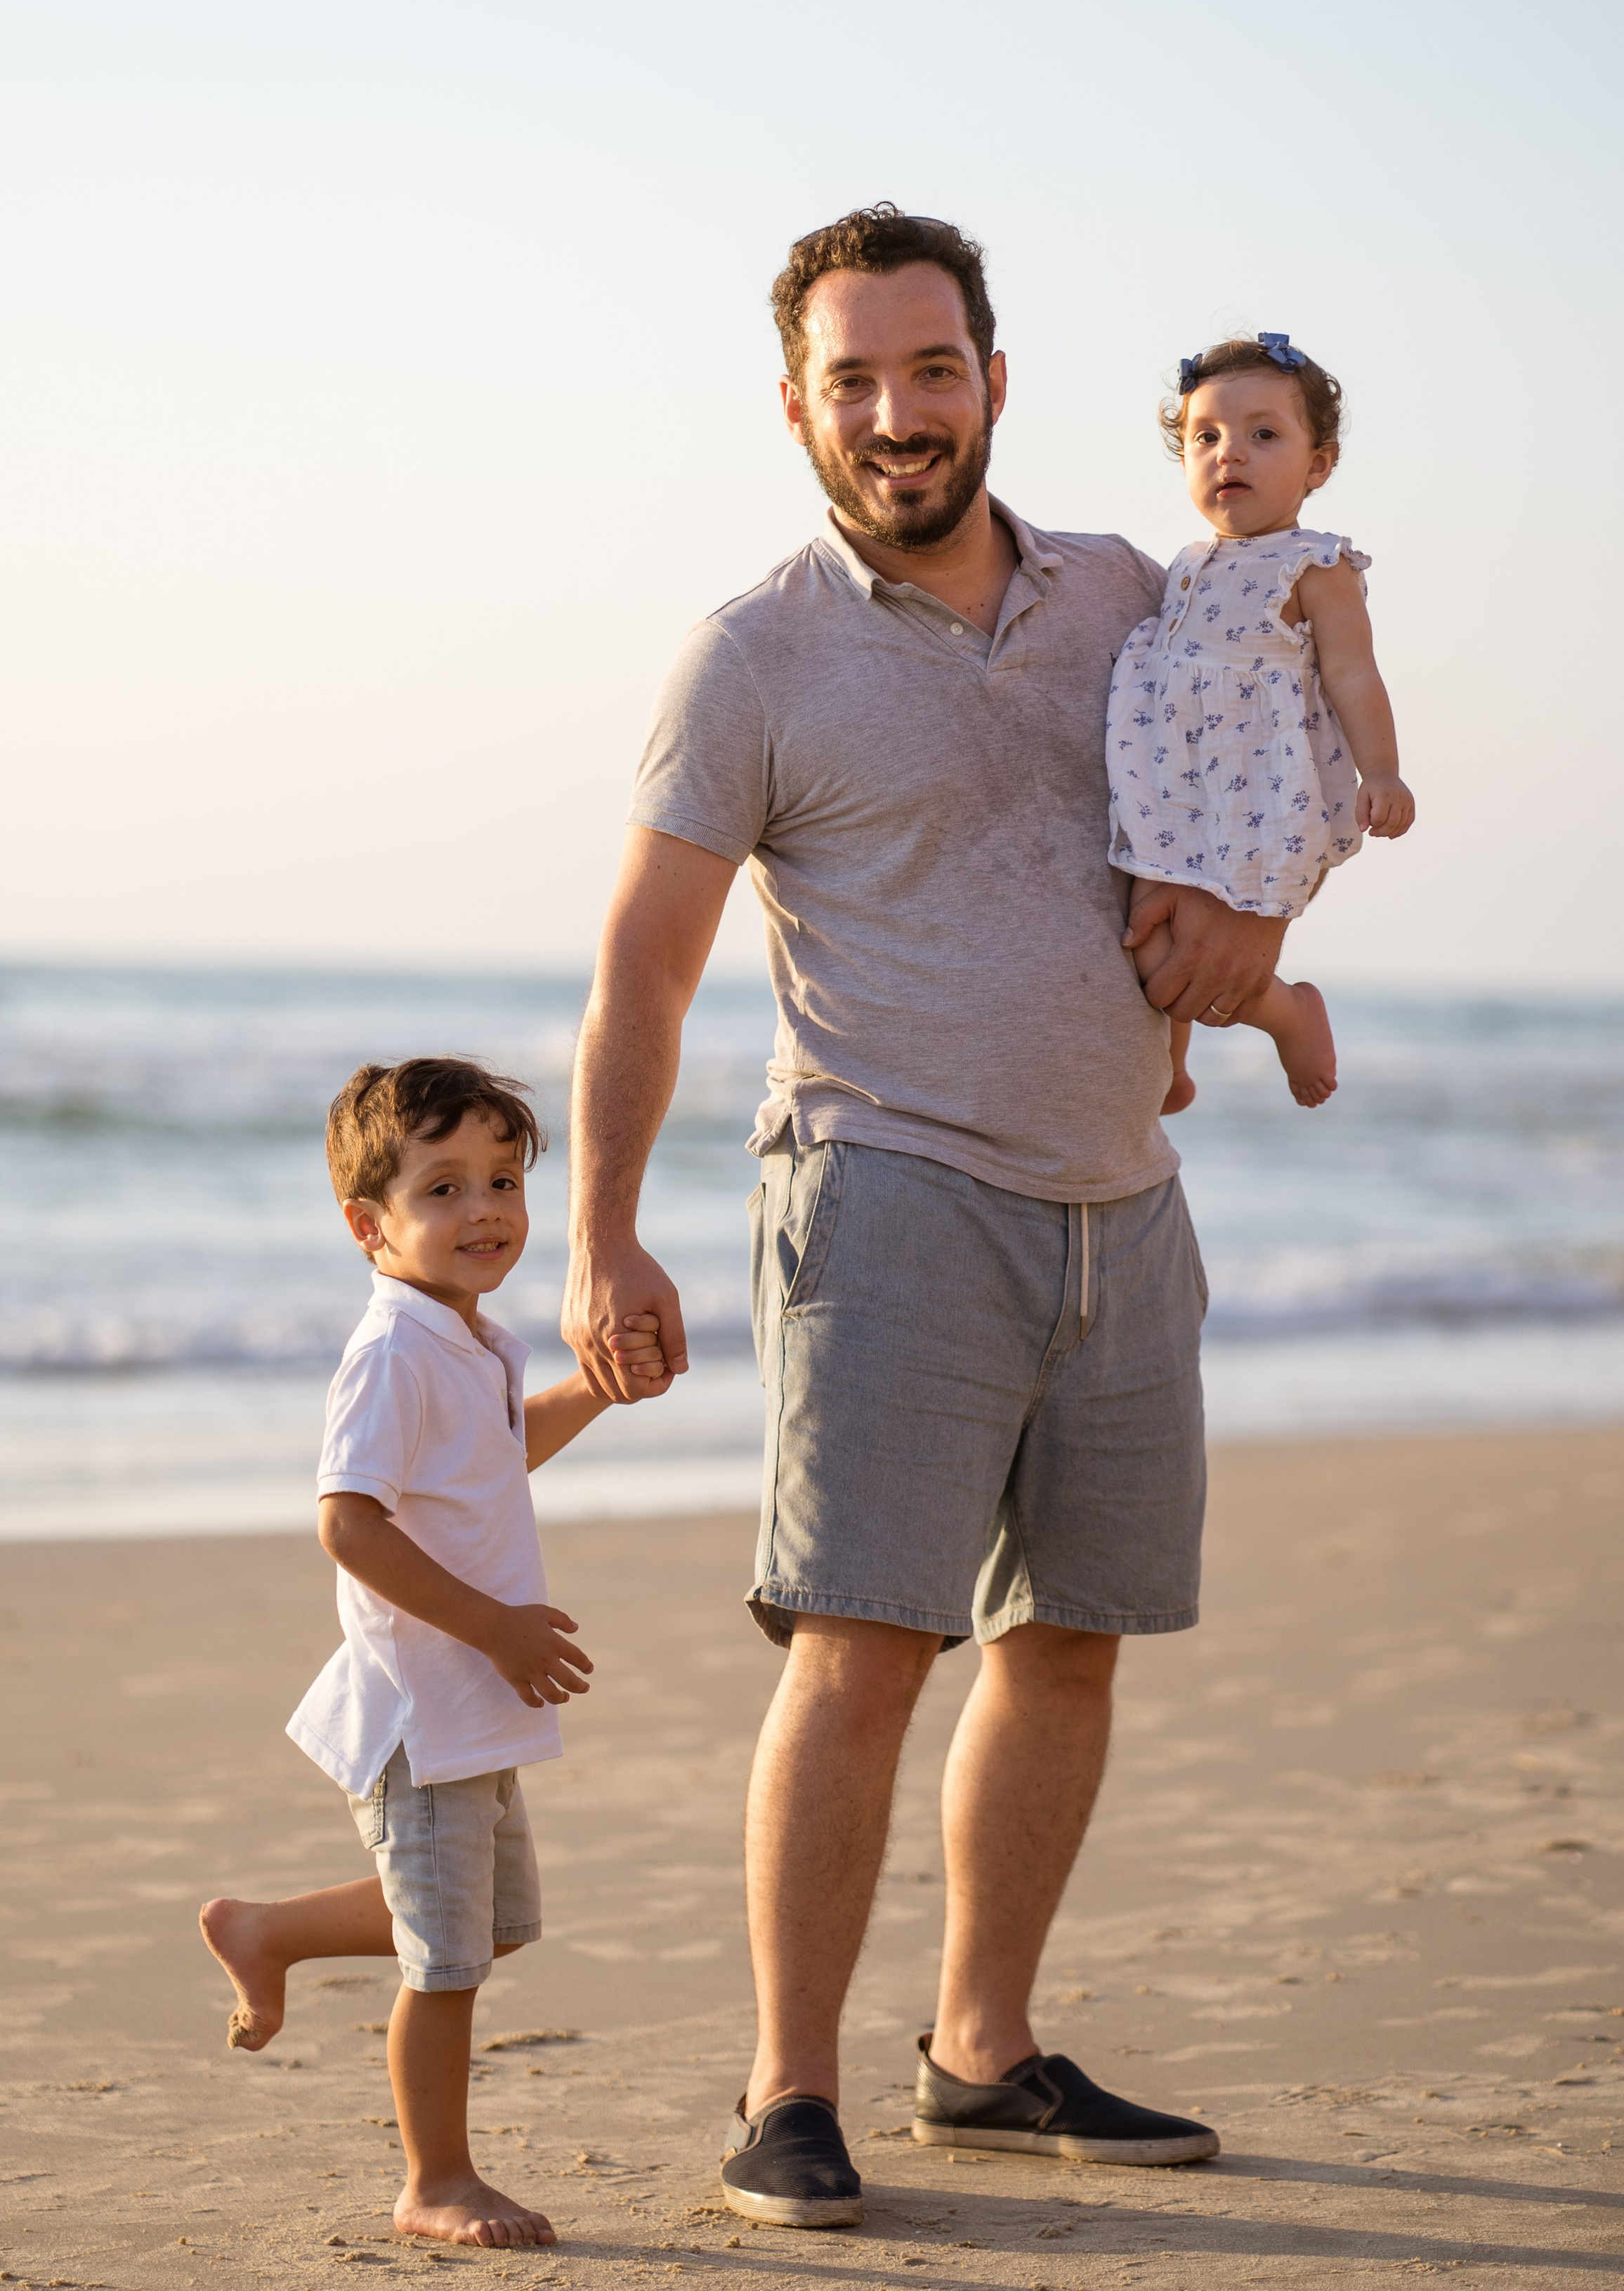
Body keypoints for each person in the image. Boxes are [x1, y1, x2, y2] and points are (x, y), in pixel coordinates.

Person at [562, 204, 1282, 2228]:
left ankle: (983, 2052)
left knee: (1068, 1648)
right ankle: (788, 2092)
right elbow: (642, 973)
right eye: (854, 379)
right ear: (798, 403)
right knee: (862, 1652)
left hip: (1122, 1210)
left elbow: (1265, 779)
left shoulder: (1132, 595)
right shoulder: (755, 656)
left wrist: (1260, 926)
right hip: (885, 1197)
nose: (898, 414)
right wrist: (600, 1235)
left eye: (932, 368)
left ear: (992, 378)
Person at [199, 1056, 662, 2250]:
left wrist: (596, 1389)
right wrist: (497, 1628)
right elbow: (347, 1522)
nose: (487, 1210)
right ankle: (436, 2183)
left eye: (503, 1180)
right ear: (371, 1225)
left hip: (476, 1705)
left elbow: (497, 1455)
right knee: (448, 1962)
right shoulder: (395, 1352)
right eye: (444, 1188)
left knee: (489, 1927)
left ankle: (270, 1930)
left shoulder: (479, 1343)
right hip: (425, 1707)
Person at [1109, 333, 1414, 1112]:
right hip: (1174, 782)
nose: (1228, 454)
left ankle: (1286, 1014)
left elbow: (1352, 671)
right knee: (1152, 923)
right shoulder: (1181, 564)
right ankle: (1171, 1063)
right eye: (1204, 437)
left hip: (1256, 789)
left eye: (1263, 435)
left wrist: (1381, 771)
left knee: (1189, 936)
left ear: (1318, 464)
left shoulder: (1314, 564)